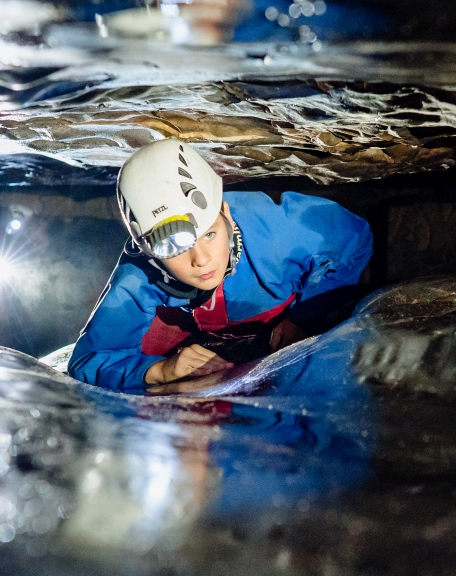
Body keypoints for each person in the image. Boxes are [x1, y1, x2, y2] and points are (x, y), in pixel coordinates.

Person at [68, 138, 373, 391]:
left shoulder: (283, 231)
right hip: (188, 326)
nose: (201, 260)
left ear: (226, 212)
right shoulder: (140, 273)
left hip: (275, 312)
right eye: (174, 247)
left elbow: (355, 239)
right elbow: (89, 361)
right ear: (148, 251)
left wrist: (306, 316)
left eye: (210, 233)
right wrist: (160, 371)